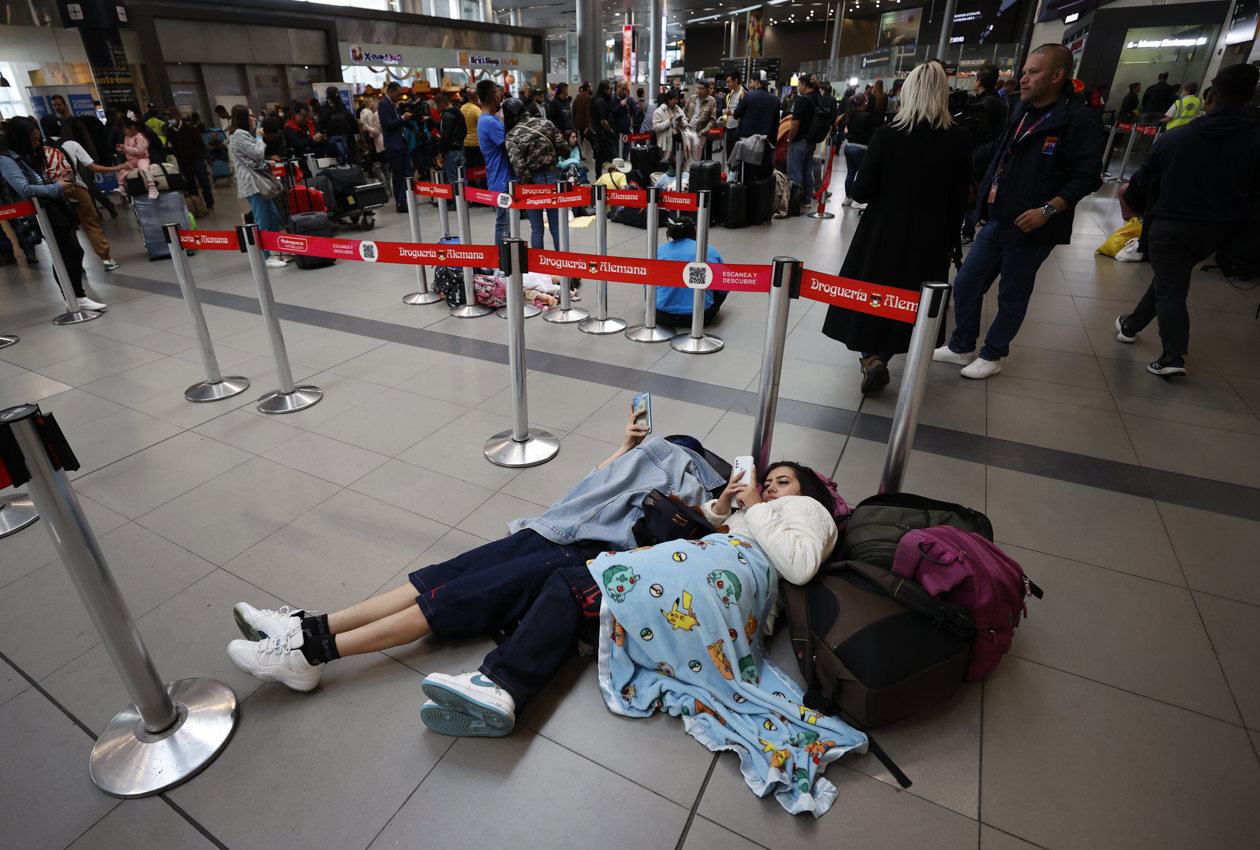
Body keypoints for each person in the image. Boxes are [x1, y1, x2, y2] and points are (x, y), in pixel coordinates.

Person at [226, 413, 728, 693]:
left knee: (449, 597)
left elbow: (687, 531)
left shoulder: (705, 493)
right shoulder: (643, 458)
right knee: (431, 580)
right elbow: (596, 479)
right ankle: (311, 626)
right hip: (549, 530)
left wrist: (720, 506)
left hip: (581, 554)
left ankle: (310, 655)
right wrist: (626, 445)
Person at [415, 457, 842, 742]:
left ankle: (500, 684)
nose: (768, 489)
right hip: (711, 568)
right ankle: (506, 679)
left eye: (781, 483)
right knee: (586, 592)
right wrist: (728, 504)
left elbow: (800, 564)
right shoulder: (758, 512)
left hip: (729, 573)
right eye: (766, 482)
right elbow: (713, 530)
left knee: (577, 582)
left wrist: (758, 509)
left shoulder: (809, 511)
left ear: (808, 491)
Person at [933, 43, 1104, 379]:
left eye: (1033, 72)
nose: (1023, 79)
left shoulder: (1078, 121)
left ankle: (993, 354)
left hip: (1032, 227)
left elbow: (1087, 177)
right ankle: (961, 345)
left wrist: (1048, 210)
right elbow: (999, 152)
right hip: (998, 219)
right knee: (967, 283)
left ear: (1057, 75)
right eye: (1024, 72)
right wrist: (952, 154)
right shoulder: (1022, 111)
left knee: (1012, 292)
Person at [822, 62, 972, 394]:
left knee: (871, 297)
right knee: (912, 302)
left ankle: (871, 359)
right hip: (931, 237)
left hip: (882, 232)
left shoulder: (888, 135)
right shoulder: (960, 139)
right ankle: (882, 358)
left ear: (907, 93)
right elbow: (960, 197)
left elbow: (861, 191)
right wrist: (951, 241)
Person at [1115, 63, 1260, 377]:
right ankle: (1130, 324)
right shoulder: (1255, 139)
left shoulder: (1178, 137)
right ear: (1249, 96)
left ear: (1210, 97)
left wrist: (1138, 207)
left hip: (1171, 223)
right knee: (1171, 278)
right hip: (1219, 229)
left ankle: (1172, 356)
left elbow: (1141, 179)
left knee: (1172, 287)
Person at [0, 116, 107, 310]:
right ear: (20, 139)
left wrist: (57, 185)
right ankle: (75, 297)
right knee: (71, 252)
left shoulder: (30, 155)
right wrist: (55, 188)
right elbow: (24, 188)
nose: (37, 143)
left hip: (53, 207)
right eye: (33, 140)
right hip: (38, 213)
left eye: (38, 139)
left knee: (65, 253)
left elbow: (40, 180)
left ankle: (74, 297)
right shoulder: (7, 159)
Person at [38, 115, 124, 271]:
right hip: (77, 188)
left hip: (56, 191)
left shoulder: (41, 148)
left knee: (68, 227)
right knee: (91, 224)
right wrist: (116, 168)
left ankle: (77, 264)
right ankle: (106, 259)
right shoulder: (71, 144)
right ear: (61, 128)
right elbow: (94, 168)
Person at [227, 105, 287, 270]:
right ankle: (265, 256)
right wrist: (260, 138)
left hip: (257, 181)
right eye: (251, 115)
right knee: (262, 220)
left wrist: (267, 163)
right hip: (253, 184)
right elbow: (258, 153)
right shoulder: (239, 134)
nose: (254, 118)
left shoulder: (243, 134)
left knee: (273, 218)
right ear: (243, 118)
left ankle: (274, 251)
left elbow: (251, 159)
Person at [506, 107, 567, 250]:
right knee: (557, 227)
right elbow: (563, 147)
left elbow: (518, 165)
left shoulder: (512, 135)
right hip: (554, 176)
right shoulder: (546, 123)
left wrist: (529, 183)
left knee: (537, 228)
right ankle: (564, 266)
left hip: (532, 181)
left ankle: (540, 268)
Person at [654, 216, 727, 327]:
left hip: (662, 316)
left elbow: (648, 286)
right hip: (699, 318)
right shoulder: (709, 250)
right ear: (694, 230)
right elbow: (723, 287)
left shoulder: (660, 250)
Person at [475, 79, 512, 245]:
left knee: (506, 223)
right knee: (503, 223)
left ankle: (505, 259)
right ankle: (501, 262)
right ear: (496, 96)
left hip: (500, 178)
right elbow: (508, 142)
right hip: (501, 181)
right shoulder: (489, 122)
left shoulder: (488, 119)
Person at [166, 108, 215, 215]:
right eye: (169, 117)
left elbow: (200, 144)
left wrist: (200, 157)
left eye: (172, 117)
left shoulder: (190, 128)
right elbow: (172, 146)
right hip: (183, 162)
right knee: (190, 185)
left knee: (204, 183)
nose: (170, 119)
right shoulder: (170, 131)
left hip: (197, 160)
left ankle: (210, 204)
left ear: (178, 116)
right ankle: (198, 206)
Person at [786, 75, 819, 214]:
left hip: (799, 140)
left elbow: (795, 123)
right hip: (811, 140)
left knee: (795, 172)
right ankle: (806, 201)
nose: (798, 88)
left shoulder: (802, 100)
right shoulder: (816, 98)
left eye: (799, 85)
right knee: (807, 171)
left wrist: (790, 139)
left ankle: (795, 204)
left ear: (804, 85)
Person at [379, 82, 414, 213]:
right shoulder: (383, 105)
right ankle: (400, 201)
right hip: (393, 145)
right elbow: (388, 124)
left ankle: (404, 198)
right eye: (398, 93)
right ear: (391, 91)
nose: (400, 96)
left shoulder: (394, 105)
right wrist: (403, 118)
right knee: (398, 174)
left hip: (401, 143)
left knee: (408, 172)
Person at [839, 93, 878, 208]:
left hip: (848, 147)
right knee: (862, 174)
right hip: (861, 148)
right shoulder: (867, 116)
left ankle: (848, 198)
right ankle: (859, 200)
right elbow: (873, 132)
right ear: (863, 103)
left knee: (850, 174)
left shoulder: (849, 115)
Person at [113, 117, 159, 199]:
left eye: (124, 129)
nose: (124, 132)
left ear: (132, 128)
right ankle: (121, 186)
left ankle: (152, 186)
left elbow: (140, 151)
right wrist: (122, 149)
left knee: (144, 169)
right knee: (123, 169)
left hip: (142, 159)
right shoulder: (126, 137)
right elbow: (128, 149)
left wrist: (125, 148)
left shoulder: (141, 137)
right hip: (130, 161)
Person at [651, 88, 688, 173]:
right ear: (668, 99)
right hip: (665, 143)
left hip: (678, 142)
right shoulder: (659, 111)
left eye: (677, 99)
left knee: (678, 164)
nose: (676, 101)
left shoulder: (678, 109)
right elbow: (656, 127)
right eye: (674, 99)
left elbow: (685, 124)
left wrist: (680, 121)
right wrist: (669, 121)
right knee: (665, 165)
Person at [734, 71, 779, 141]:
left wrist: (741, 99)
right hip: (766, 141)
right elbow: (776, 124)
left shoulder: (748, 96)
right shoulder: (775, 100)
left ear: (757, 82)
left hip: (748, 141)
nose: (752, 85)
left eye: (752, 82)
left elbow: (736, 114)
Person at [320, 88, 359, 164]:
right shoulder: (346, 112)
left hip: (334, 149)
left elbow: (321, 128)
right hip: (349, 146)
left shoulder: (325, 114)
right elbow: (355, 129)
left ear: (329, 100)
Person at [459, 87, 485, 187]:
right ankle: (482, 187)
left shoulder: (462, 108)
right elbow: (482, 126)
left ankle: (471, 187)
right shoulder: (477, 110)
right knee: (481, 168)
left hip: (465, 143)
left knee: (469, 168)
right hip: (477, 143)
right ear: (476, 97)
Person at [590, 80, 616, 175]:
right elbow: (603, 121)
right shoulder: (601, 101)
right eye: (609, 89)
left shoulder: (597, 99)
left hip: (599, 135)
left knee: (599, 160)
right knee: (612, 159)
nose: (611, 91)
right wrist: (611, 131)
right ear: (604, 89)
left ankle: (600, 180)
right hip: (604, 136)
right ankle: (612, 179)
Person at [690, 81, 718, 158]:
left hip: (701, 131)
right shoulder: (691, 98)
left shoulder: (712, 100)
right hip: (689, 130)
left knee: (698, 154)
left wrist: (704, 131)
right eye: (698, 88)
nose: (699, 90)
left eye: (701, 88)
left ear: (707, 90)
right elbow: (685, 113)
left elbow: (712, 119)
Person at [573, 81, 593, 159]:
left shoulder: (577, 98)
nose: (591, 88)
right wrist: (588, 126)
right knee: (592, 142)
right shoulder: (589, 98)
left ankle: (580, 155)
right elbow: (588, 113)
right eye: (590, 87)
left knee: (580, 141)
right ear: (587, 88)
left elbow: (575, 112)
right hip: (586, 125)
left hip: (578, 124)